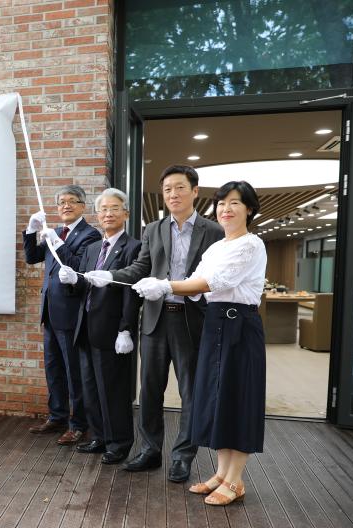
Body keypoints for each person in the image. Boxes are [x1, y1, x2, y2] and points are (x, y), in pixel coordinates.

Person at [84, 165, 224, 482]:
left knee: (190, 392)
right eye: (167, 190)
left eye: (179, 188)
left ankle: (183, 456)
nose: (173, 194)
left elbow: (214, 278)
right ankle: (150, 450)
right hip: (155, 320)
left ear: (195, 191)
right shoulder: (154, 230)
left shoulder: (212, 232)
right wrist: (111, 276)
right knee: (149, 391)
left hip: (191, 320)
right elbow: (139, 268)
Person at [131, 180, 266, 505]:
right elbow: (196, 282)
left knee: (238, 399)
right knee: (217, 399)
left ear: (248, 208)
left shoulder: (251, 244)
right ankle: (221, 473)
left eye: (234, 203)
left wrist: (165, 286)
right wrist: (169, 286)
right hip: (215, 325)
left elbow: (214, 281)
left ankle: (235, 480)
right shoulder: (217, 246)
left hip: (239, 326)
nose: (226, 209)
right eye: (221, 203)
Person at [58, 188, 141, 463]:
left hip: (113, 330)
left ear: (126, 213)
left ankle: (119, 442)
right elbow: (85, 285)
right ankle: (100, 436)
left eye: (114, 208)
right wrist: (73, 280)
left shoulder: (134, 247)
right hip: (86, 328)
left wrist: (126, 328)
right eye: (103, 209)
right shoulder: (93, 247)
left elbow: (131, 290)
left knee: (113, 391)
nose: (108, 213)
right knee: (91, 387)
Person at [23, 185, 100, 444]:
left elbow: (77, 267)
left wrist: (58, 242)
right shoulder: (53, 231)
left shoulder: (90, 235)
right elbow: (32, 257)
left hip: (71, 314)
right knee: (53, 368)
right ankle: (56, 416)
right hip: (50, 311)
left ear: (82, 206)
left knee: (73, 371)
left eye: (72, 201)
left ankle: (78, 424)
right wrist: (31, 231)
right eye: (61, 202)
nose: (65, 206)